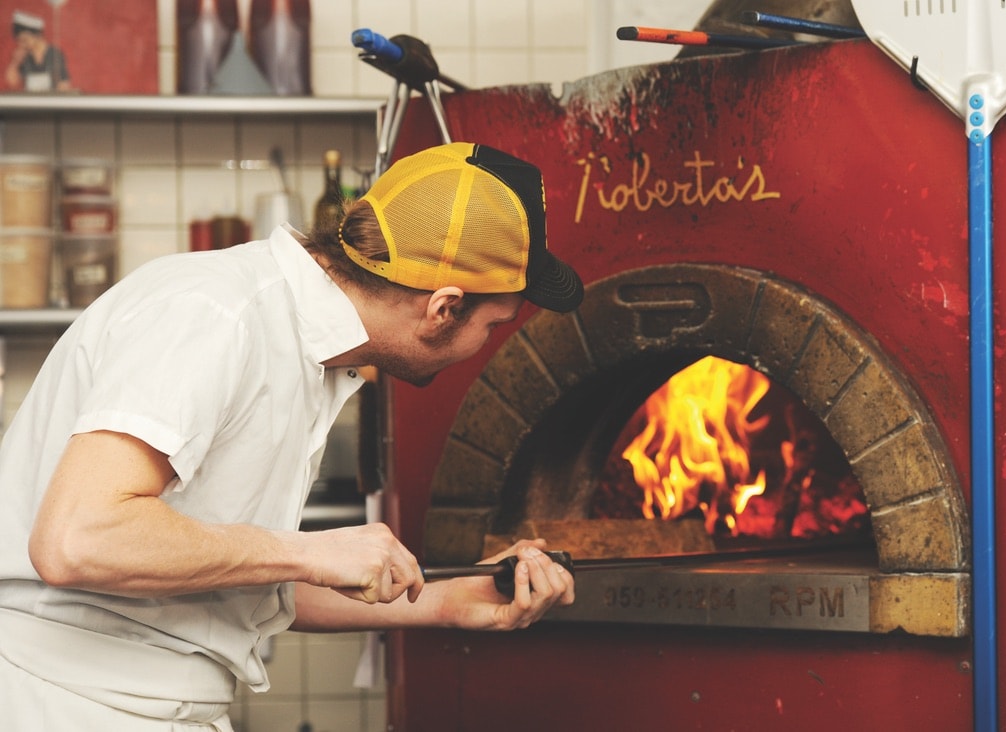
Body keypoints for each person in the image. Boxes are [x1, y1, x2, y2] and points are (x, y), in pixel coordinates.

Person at [0, 141, 583, 730]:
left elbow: (225, 572)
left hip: (149, 704)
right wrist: (309, 551)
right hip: (65, 701)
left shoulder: (308, 350)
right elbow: (78, 538)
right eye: (494, 324)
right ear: (443, 308)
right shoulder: (218, 313)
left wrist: (452, 598)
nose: (488, 343)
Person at [4, 10, 72, 92]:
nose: (22, 45)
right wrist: (15, 61)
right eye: (19, 41)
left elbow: (64, 83)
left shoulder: (54, 54)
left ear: (37, 36)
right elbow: (12, 82)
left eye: (25, 40)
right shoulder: (25, 56)